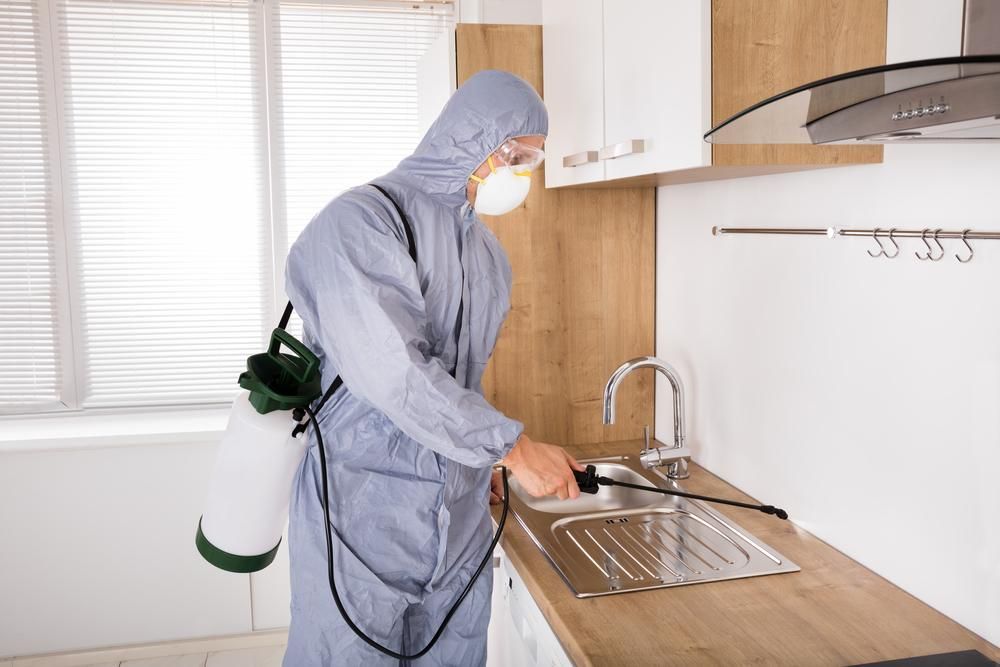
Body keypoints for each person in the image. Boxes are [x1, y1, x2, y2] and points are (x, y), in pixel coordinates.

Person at [282, 69, 584, 665]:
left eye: (533, 160)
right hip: (361, 514)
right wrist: (512, 449)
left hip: (460, 517)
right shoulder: (360, 224)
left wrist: (481, 461)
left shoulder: (488, 255)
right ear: (469, 138)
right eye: (515, 154)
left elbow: (459, 378)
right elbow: (395, 376)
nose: (522, 172)